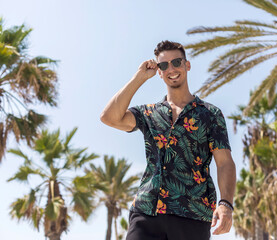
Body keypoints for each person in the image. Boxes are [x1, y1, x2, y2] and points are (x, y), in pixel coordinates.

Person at [100, 40, 236, 240]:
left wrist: (226, 204)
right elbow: (109, 117)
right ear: (159, 72)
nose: (171, 69)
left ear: (187, 65)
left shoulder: (210, 114)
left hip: (193, 215)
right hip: (147, 211)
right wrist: (139, 78)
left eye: (176, 62)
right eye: (164, 65)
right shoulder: (149, 113)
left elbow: (224, 163)